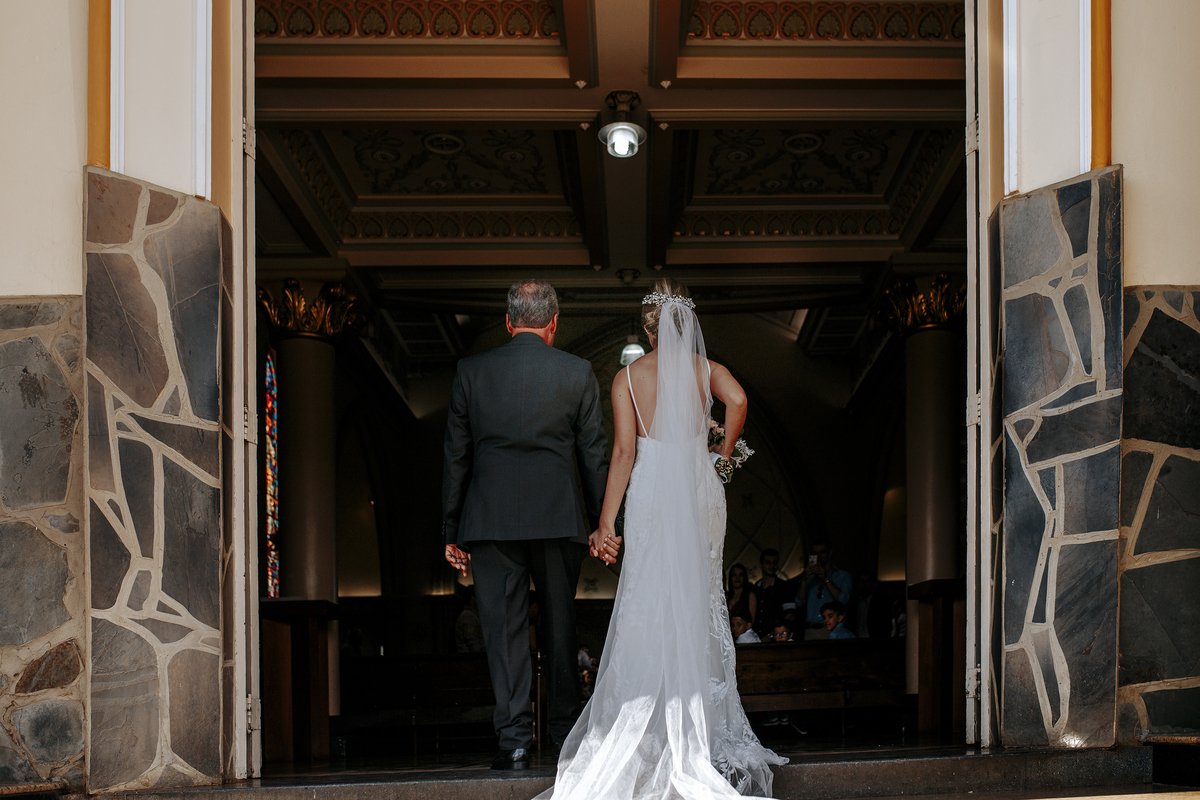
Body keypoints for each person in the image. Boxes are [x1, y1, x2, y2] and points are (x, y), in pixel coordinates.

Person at [537, 279, 785, 800]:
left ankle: (648, 729)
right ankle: (697, 721)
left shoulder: (627, 378)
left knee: (648, 601)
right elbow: (737, 400)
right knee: (699, 598)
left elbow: (623, 453)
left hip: (650, 491)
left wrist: (607, 523)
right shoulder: (703, 369)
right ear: (685, 328)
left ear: (650, 330)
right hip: (697, 487)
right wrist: (721, 452)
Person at [442, 279, 613, 771]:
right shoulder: (577, 373)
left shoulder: (471, 371)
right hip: (558, 518)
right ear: (554, 322)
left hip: (490, 520)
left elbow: (457, 454)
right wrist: (604, 523)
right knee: (561, 627)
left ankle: (514, 739)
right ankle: (562, 735)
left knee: (503, 633)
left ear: (509, 321)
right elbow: (593, 454)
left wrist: (452, 527)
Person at [797, 543, 852, 641]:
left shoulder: (843, 576)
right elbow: (799, 601)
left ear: (830, 552)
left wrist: (825, 579)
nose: (818, 556)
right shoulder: (810, 577)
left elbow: (844, 599)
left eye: (822, 552)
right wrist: (804, 578)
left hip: (831, 630)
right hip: (810, 630)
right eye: (815, 553)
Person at [754, 548, 792, 634]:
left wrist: (772, 634)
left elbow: (790, 615)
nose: (772, 566)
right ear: (761, 564)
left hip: (776, 639)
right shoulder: (755, 588)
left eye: (774, 563)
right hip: (755, 638)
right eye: (768, 562)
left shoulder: (784, 587)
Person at [846, 572, 891, 639]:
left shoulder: (881, 603)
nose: (865, 584)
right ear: (858, 584)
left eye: (868, 581)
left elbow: (885, 625)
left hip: (875, 641)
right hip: (856, 641)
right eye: (862, 581)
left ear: (874, 584)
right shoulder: (852, 604)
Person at [455, 586, 485, 653]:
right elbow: (473, 644)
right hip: (472, 660)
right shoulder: (469, 616)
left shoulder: (470, 615)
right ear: (472, 598)